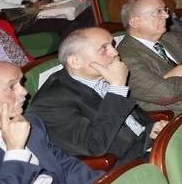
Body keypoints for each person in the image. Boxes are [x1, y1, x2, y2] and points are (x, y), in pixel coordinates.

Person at [29, 27, 163, 165]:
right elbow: (94, 145)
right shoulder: (51, 102)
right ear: (75, 61)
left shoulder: (100, 77)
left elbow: (129, 120)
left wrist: (150, 128)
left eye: (112, 45)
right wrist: (117, 87)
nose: (115, 52)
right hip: (124, 166)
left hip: (148, 146)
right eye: (104, 49)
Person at [116, 0, 182, 115]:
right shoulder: (126, 57)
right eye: (158, 12)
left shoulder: (165, 37)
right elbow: (167, 93)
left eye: (165, 10)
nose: (167, 15)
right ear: (135, 22)